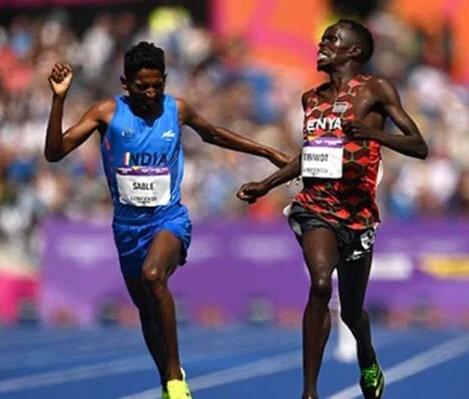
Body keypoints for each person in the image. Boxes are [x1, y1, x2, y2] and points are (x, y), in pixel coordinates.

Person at [44, 41, 290, 399]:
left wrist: (267, 151)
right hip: (128, 229)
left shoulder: (177, 109)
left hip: (169, 220)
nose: (151, 93)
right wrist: (58, 99)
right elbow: (54, 153)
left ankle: (176, 377)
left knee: (154, 276)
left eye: (158, 84)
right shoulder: (106, 113)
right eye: (142, 86)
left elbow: (214, 134)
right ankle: (167, 382)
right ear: (125, 84)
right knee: (146, 313)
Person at [237, 19, 428, 399]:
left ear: (353, 51)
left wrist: (372, 133)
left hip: (358, 213)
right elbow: (311, 156)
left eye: (331, 40)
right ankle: (310, 391)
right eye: (322, 39)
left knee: (354, 312)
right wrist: (267, 184)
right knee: (321, 285)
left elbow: (418, 145)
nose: (321, 45)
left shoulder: (375, 89)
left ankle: (368, 357)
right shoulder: (312, 98)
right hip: (315, 206)